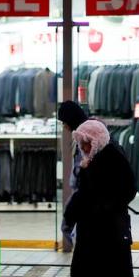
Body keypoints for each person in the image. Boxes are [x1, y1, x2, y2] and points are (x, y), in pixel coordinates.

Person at [63, 118, 139, 277]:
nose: (84, 146)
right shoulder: (92, 158)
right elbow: (84, 191)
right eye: (82, 142)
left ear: (97, 138)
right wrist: (71, 214)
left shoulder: (112, 155)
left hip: (108, 222)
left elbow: (129, 188)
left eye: (87, 141)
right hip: (92, 221)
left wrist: (107, 206)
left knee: (108, 261)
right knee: (90, 263)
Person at [58, 100, 89, 251]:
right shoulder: (82, 136)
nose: (64, 126)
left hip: (86, 198)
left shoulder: (87, 138)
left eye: (65, 122)